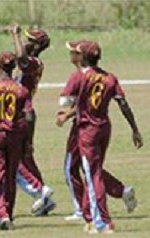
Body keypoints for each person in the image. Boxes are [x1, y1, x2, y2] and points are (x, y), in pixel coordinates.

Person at [58, 40, 143, 234]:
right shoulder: (110, 78)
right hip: (104, 127)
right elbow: (123, 104)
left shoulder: (79, 76)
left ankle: (102, 222)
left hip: (86, 129)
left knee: (91, 174)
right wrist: (135, 129)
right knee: (92, 171)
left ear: (83, 57)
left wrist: (68, 108)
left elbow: (64, 100)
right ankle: (91, 217)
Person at [0, 51, 34, 230]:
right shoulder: (21, 90)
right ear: (14, 67)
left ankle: (2, 213)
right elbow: (30, 116)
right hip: (15, 135)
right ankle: (8, 212)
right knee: (11, 175)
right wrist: (29, 139)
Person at [10, 24, 55, 216]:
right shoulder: (32, 62)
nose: (26, 43)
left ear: (37, 45)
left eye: (30, 40)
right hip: (24, 113)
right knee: (27, 157)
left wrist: (15, 35)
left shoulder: (33, 63)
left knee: (14, 157)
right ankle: (44, 198)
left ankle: (39, 190)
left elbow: (20, 57)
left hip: (23, 114)